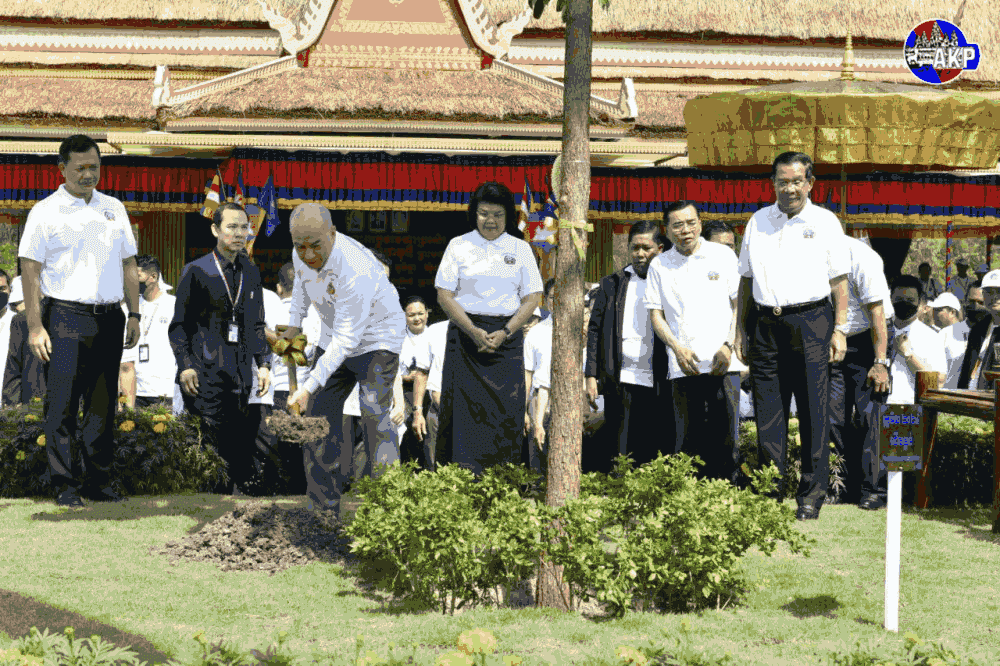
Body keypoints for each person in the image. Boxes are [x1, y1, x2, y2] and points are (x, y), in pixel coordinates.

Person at [19, 134, 140, 507]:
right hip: (65, 317)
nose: (89, 175)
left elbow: (129, 264)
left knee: (103, 404)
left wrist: (134, 313)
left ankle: (98, 482)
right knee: (63, 405)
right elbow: (29, 270)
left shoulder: (114, 208)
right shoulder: (45, 211)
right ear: (62, 169)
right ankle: (65, 485)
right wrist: (35, 326)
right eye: (80, 168)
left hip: (110, 317)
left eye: (94, 167)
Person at [735, 151, 850, 521]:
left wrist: (840, 329)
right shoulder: (757, 221)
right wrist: (740, 329)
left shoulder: (825, 221)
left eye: (797, 181)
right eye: (782, 181)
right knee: (768, 413)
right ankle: (769, 491)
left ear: (810, 183)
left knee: (815, 411)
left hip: (812, 321)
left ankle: (810, 496)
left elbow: (839, 282)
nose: (789, 189)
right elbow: (746, 280)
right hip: (765, 324)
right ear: (773, 183)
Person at [279, 203, 406, 513]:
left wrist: (307, 388)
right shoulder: (301, 252)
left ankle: (388, 509)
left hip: (378, 339)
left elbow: (347, 339)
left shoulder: (355, 266)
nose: (308, 254)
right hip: (333, 334)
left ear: (332, 234)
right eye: (300, 247)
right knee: (318, 418)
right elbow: (300, 295)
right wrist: (293, 329)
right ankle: (323, 510)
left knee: (373, 412)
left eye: (315, 245)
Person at [434, 182, 542, 475]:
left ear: (507, 216)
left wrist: (506, 332)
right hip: (465, 337)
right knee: (461, 413)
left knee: (505, 412)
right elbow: (444, 294)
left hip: (507, 338)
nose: (490, 220)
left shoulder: (520, 248)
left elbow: (533, 297)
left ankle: (503, 479)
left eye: (497, 214)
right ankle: (459, 478)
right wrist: (472, 330)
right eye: (484, 213)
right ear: (474, 214)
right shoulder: (458, 245)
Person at [169, 202, 272, 496]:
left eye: (244, 227)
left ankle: (229, 504)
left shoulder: (251, 272)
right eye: (232, 227)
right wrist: (185, 365)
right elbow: (179, 326)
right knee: (208, 445)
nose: (240, 233)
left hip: (240, 375)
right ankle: (208, 503)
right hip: (204, 374)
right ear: (215, 230)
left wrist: (264, 364)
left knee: (237, 445)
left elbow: (256, 324)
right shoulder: (196, 270)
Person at [647, 202, 744, 483]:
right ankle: (689, 500)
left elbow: (739, 305)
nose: (685, 230)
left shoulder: (723, 255)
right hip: (684, 365)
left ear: (700, 224)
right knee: (688, 441)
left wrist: (729, 345)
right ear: (667, 230)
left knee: (727, 439)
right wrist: (676, 348)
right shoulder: (659, 265)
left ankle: (728, 496)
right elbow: (656, 315)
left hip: (724, 363)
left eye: (691, 223)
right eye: (678, 225)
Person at [586, 220, 671, 473]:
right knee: (619, 446)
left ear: (660, 249)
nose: (640, 254)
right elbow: (594, 330)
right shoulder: (612, 283)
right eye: (635, 248)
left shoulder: (670, 282)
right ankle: (618, 489)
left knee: (654, 445)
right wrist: (591, 375)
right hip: (619, 378)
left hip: (660, 379)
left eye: (646, 248)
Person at [827, 236, 891, 510]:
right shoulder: (811, 252)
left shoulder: (862, 257)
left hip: (869, 340)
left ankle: (874, 490)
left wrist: (880, 362)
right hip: (833, 340)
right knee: (832, 417)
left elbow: (878, 312)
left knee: (869, 416)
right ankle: (840, 487)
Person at [119, 255, 180, 410]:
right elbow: (123, 360)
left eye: (138, 276)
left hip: (166, 391)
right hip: (135, 393)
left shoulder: (174, 305)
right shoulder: (127, 309)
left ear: (153, 276)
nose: (133, 281)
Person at [245, 281, 287, 496]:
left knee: (265, 444)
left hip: (258, 386)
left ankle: (272, 492)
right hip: (224, 383)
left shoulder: (268, 298)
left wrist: (258, 330)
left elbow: (289, 343)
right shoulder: (215, 289)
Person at [885, 275, 946, 402]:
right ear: (891, 299)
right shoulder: (880, 331)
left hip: (912, 407)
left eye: (910, 300)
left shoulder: (931, 336)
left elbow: (939, 380)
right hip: (878, 405)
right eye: (899, 299)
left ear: (919, 301)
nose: (904, 303)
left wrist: (909, 355)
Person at [398, 295, 431, 468]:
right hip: (401, 391)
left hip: (428, 393)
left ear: (427, 313)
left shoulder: (435, 336)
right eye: (411, 315)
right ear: (404, 316)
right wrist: (405, 377)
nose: (417, 318)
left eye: (420, 314)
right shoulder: (396, 337)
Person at [3, 277, 46, 406]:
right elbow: (13, 370)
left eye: (20, 301)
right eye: (13, 304)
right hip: (31, 405)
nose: (17, 307)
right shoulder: (19, 322)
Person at [958, 272, 1000, 390]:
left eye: (999, 291)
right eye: (989, 292)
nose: (994, 296)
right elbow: (967, 368)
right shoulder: (979, 328)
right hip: (972, 396)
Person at [423, 316, 450, 467]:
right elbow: (424, 369)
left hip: (468, 411)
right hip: (440, 408)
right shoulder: (436, 331)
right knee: (434, 462)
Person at [935, 292, 970, 391]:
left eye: (939, 310)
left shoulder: (978, 332)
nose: (934, 313)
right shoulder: (943, 334)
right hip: (948, 395)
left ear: (952, 312)